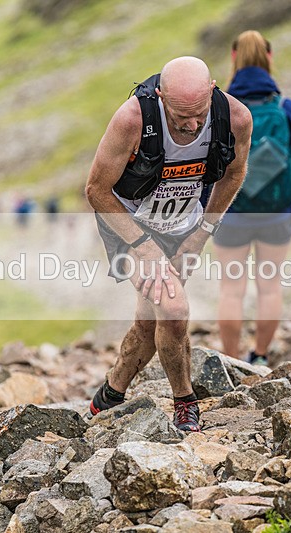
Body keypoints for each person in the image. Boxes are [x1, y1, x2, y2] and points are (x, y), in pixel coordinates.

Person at [85, 56, 251, 432]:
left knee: (151, 320)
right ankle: (185, 403)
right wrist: (144, 246)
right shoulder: (132, 119)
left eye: (199, 115)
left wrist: (200, 235)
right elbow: (96, 190)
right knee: (174, 310)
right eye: (180, 117)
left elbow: (234, 173)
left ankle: (108, 397)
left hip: (185, 226)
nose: (192, 126)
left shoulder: (235, 119)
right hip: (130, 224)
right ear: (160, 96)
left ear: (212, 90)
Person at [213, 30, 291, 366]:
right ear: (269, 58)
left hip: (231, 212)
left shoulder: (221, 107)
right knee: (270, 287)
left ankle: (230, 361)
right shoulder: (287, 108)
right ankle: (260, 356)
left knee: (231, 289)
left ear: (233, 57)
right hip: (276, 213)